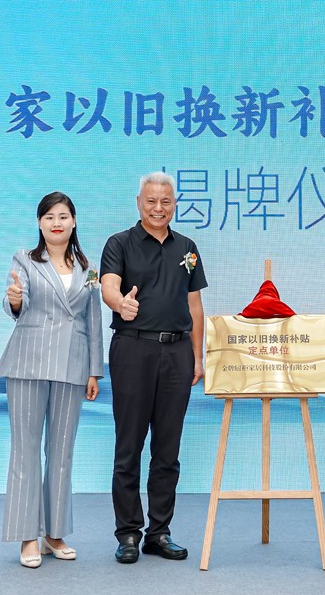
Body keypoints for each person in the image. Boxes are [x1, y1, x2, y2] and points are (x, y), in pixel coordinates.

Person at [99, 172, 207, 564]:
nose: (158, 208)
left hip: (177, 353)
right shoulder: (120, 243)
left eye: (165, 201)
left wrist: (198, 356)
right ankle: (128, 532)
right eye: (151, 201)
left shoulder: (187, 247)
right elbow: (109, 286)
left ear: (174, 204)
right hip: (133, 349)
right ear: (139, 202)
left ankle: (159, 532)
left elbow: (194, 306)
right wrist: (120, 304)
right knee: (129, 445)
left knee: (168, 449)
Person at [0, 192, 103, 568]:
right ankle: (28, 536)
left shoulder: (88, 268)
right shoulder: (24, 259)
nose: (56, 223)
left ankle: (54, 533)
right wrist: (14, 299)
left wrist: (94, 370)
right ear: (39, 223)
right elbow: (17, 302)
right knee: (25, 451)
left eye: (63, 216)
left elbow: (93, 320)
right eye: (49, 217)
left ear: (74, 221)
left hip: (73, 366)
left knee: (61, 452)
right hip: (28, 362)